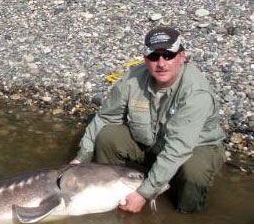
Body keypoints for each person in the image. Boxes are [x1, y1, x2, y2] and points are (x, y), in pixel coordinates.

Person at [71, 26, 225, 213]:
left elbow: (178, 149)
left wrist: (144, 194)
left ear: (182, 56)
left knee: (193, 173)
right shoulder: (132, 79)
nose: (161, 63)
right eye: (154, 57)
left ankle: (186, 218)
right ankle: (113, 197)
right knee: (108, 136)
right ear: (145, 58)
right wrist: (80, 160)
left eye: (168, 55)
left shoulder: (195, 93)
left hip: (195, 149)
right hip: (151, 143)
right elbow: (105, 118)